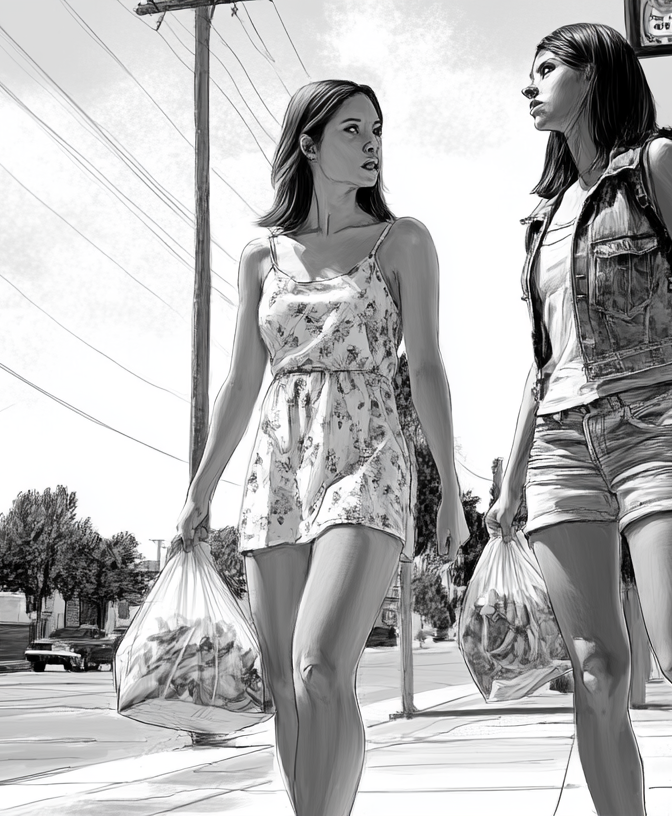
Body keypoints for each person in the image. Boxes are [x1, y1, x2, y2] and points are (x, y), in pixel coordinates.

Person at [485, 23, 672, 816]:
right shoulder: (542, 219)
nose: (531, 84)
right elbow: (543, 361)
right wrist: (510, 479)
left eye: (548, 68)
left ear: (596, 76)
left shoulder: (656, 164)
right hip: (559, 442)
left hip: (656, 424)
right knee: (597, 667)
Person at [173, 79, 470, 816]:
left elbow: (426, 366)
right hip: (276, 461)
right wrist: (199, 491)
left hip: (368, 452)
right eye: (352, 130)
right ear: (307, 144)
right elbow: (241, 383)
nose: (372, 144)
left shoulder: (402, 241)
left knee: (320, 665)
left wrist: (452, 496)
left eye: (377, 130)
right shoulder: (259, 258)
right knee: (284, 683)